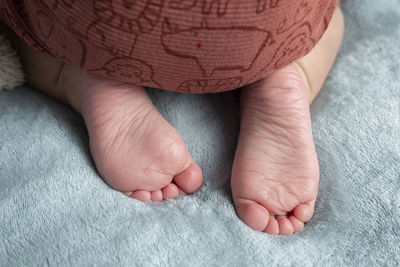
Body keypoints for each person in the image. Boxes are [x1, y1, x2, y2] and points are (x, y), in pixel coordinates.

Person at [0, 0, 344, 235]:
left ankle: (83, 76)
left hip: (104, 27)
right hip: (264, 27)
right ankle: (289, 72)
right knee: (321, 16)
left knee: (26, 19)